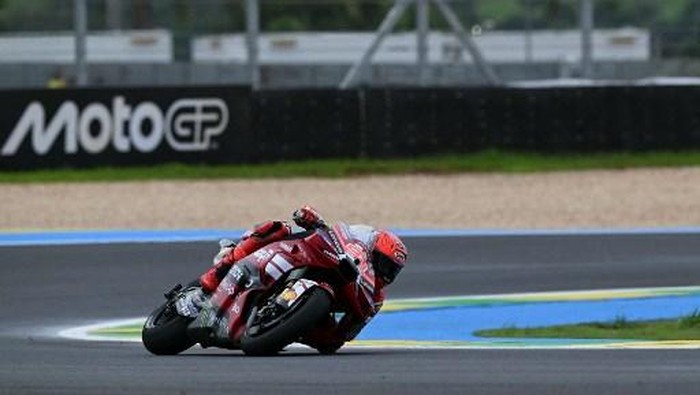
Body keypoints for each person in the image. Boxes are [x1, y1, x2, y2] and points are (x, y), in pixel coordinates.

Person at [198, 205, 408, 353]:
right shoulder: (356, 244)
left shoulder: (375, 298)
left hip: (316, 312)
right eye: (384, 263)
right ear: (374, 252)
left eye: (392, 270)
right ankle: (222, 267)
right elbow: (326, 228)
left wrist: (320, 333)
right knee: (278, 228)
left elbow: (346, 334)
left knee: (329, 344)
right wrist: (311, 219)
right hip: (304, 258)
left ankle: (274, 323)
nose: (386, 272)